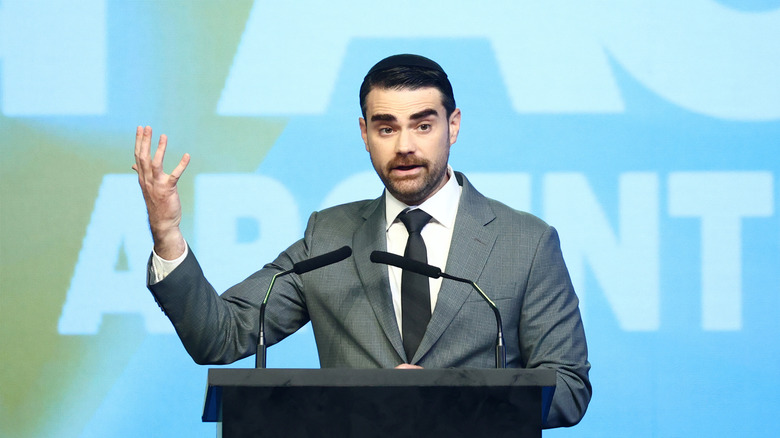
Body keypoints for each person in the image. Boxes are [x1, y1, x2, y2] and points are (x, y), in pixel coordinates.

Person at [133, 54, 591, 428]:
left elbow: (568, 388)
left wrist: (453, 397)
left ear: (453, 126)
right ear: (365, 134)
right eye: (386, 127)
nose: (405, 145)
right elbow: (219, 336)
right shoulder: (328, 237)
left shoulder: (526, 242)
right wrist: (167, 233)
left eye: (423, 125)